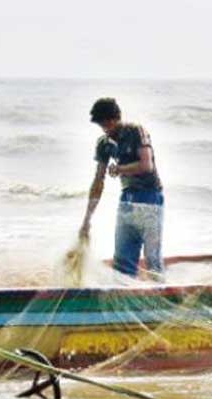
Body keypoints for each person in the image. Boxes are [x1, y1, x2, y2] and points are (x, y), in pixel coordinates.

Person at [79, 98, 165, 279]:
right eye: (102, 124)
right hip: (127, 200)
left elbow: (146, 165)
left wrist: (120, 169)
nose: (106, 128)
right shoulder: (104, 143)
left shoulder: (136, 131)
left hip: (150, 199)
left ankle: (159, 291)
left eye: (108, 123)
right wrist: (87, 220)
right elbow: (98, 181)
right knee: (122, 262)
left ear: (117, 117)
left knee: (152, 260)